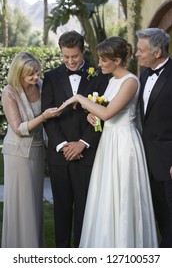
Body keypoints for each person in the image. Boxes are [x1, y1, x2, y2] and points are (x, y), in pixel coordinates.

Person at [57, 36, 158, 247]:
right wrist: (90, 115)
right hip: (108, 142)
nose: (100, 64)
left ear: (117, 60)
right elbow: (102, 114)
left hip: (123, 144)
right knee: (106, 196)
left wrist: (79, 99)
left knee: (123, 196)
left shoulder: (130, 81)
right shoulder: (111, 81)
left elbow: (109, 112)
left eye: (103, 60)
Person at [41, 30, 109, 248]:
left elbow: (104, 114)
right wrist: (62, 145)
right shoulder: (50, 77)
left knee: (84, 208)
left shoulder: (99, 75)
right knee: (61, 208)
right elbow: (48, 117)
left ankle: (82, 254)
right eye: (65, 56)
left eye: (75, 57)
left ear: (83, 51)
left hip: (87, 152)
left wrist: (83, 143)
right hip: (59, 156)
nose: (70, 61)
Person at [1, 51, 59, 248]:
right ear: (19, 74)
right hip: (17, 153)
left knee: (34, 203)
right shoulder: (9, 92)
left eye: (37, 72)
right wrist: (44, 116)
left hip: (37, 150)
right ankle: (18, 248)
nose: (36, 77)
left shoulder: (41, 86)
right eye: (31, 74)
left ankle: (34, 248)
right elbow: (18, 128)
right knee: (21, 203)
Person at [136, 28, 172, 248]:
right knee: (160, 218)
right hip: (148, 161)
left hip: (169, 162)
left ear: (157, 51)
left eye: (141, 50)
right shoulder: (144, 74)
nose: (137, 54)